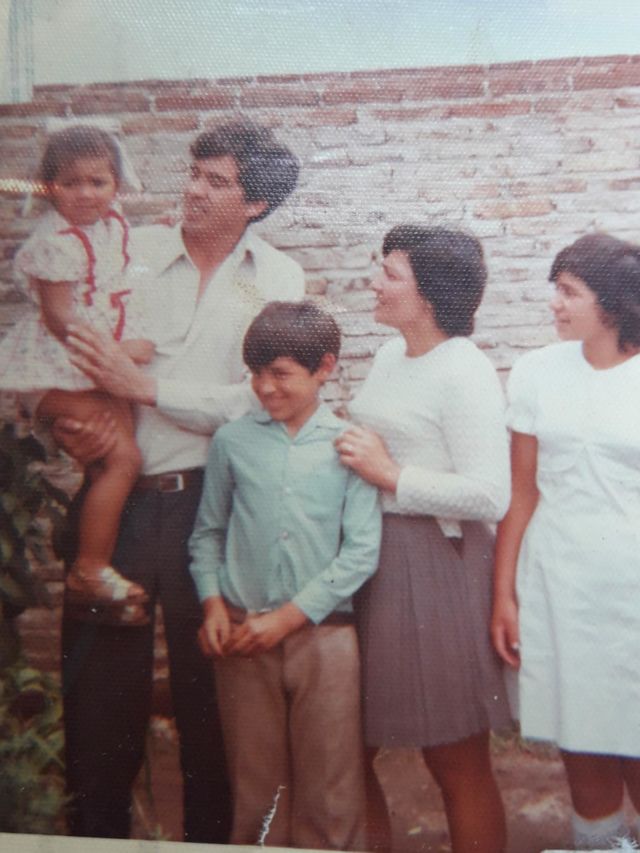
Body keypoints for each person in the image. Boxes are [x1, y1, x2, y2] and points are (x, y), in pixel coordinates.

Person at [52, 120, 305, 843]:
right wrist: (61, 418)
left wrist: (147, 388)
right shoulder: (125, 251)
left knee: (212, 707)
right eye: (194, 173)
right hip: (118, 505)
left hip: (214, 510)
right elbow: (59, 347)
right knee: (98, 709)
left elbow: (256, 400)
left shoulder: (276, 279)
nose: (193, 189)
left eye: (215, 182)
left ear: (255, 204)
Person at [335, 225, 512, 853]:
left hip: (437, 567)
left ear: (430, 295)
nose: (374, 283)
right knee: (345, 751)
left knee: (454, 758)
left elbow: (490, 494)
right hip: (370, 560)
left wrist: (390, 475)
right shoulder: (391, 355)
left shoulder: (464, 370)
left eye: (390, 274)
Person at [189, 301, 381, 850]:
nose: (265, 388)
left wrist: (288, 619)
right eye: (256, 374)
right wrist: (212, 604)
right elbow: (207, 534)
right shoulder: (232, 442)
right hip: (244, 636)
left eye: (280, 373)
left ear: (325, 368)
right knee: (257, 791)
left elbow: (361, 553)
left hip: (325, 638)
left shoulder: (350, 446)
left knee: (332, 791)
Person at [491, 233, 640, 850]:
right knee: (581, 741)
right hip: (558, 584)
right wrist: (504, 595)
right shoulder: (537, 371)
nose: (554, 303)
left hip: (632, 593)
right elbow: (521, 492)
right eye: (557, 289)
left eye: (569, 292)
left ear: (613, 303)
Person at [0, 124, 154, 624]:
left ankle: (97, 567)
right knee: (124, 458)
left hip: (88, 365)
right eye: (71, 183)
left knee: (113, 456)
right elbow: (59, 318)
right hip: (57, 368)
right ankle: (89, 568)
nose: (86, 194)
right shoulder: (56, 242)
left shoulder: (110, 225)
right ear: (49, 187)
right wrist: (117, 354)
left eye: (97, 182)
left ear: (116, 184)